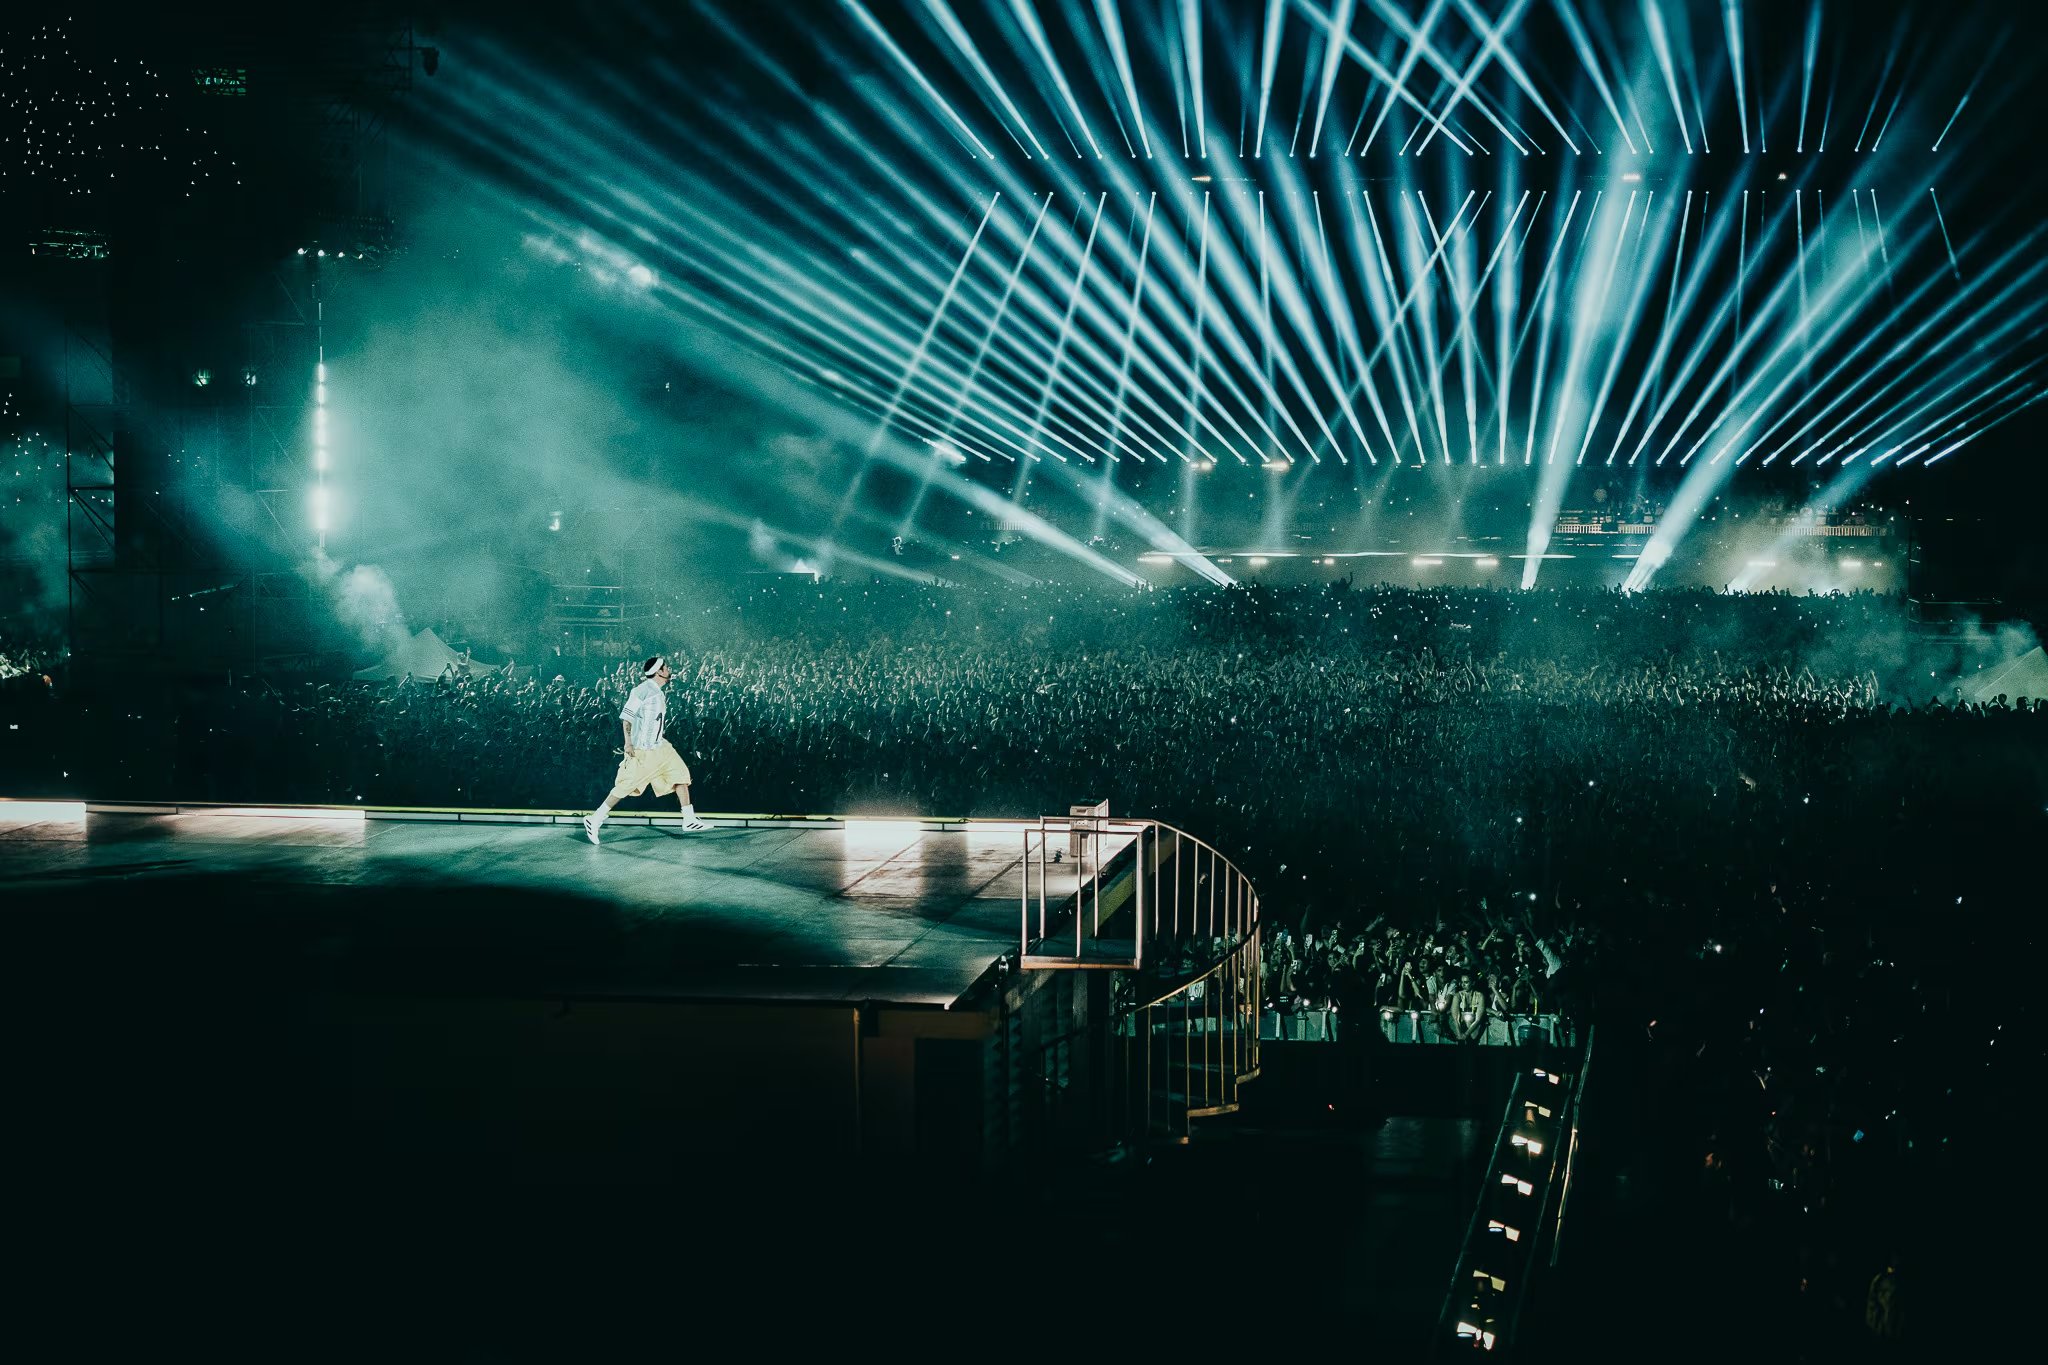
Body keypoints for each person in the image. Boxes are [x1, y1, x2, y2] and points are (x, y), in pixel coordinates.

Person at [581, 656, 710, 844]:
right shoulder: (641, 690)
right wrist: (628, 743)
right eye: (666, 668)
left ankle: (689, 819)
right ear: (659, 672)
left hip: (661, 747)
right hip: (643, 750)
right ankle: (594, 819)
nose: (669, 670)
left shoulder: (658, 692)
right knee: (625, 786)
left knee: (681, 775)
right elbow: (627, 718)